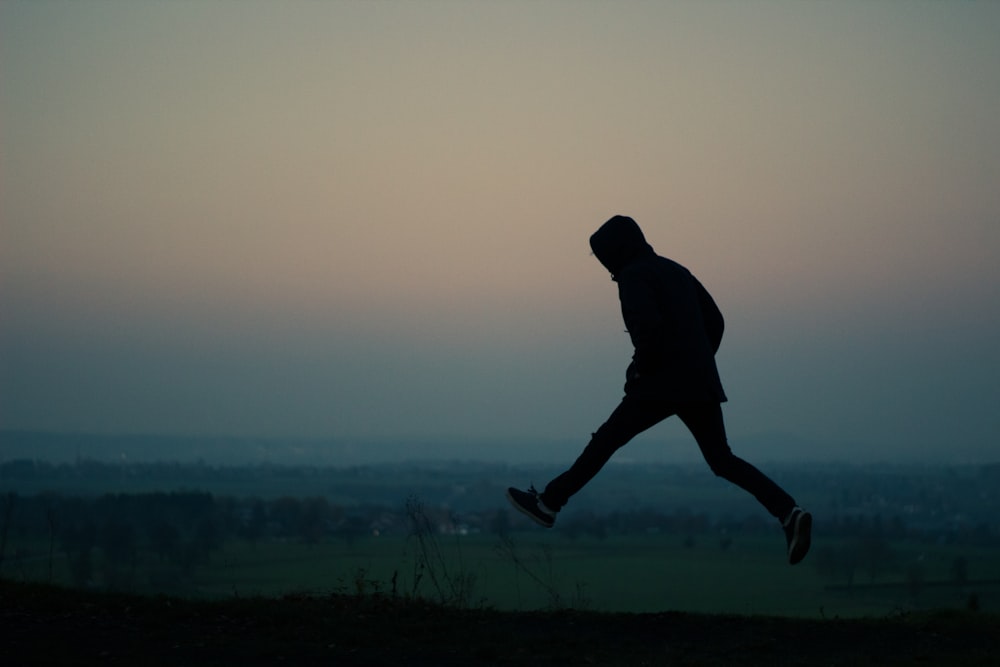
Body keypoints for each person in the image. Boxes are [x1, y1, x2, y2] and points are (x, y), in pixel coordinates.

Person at [506, 215, 812, 565]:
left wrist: (642, 369)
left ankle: (547, 504)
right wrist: (696, 359)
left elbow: (647, 330)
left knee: (606, 440)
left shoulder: (633, 276)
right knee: (722, 460)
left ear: (615, 253)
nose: (606, 270)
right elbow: (716, 322)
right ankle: (789, 512)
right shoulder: (676, 270)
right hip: (698, 380)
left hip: (660, 383)